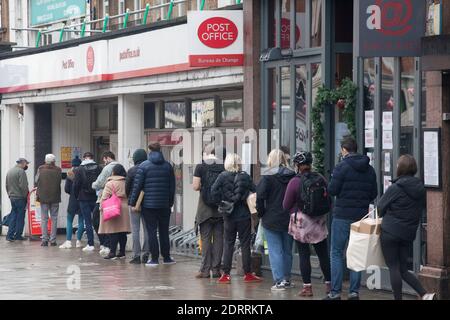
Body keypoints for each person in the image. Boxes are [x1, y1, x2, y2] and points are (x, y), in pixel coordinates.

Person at [324, 137, 378, 300]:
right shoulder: (369, 169)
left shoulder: (341, 167)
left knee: (336, 253)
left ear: (344, 150)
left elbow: (332, 190)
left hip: (341, 216)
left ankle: (335, 292)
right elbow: (373, 194)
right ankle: (354, 292)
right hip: (361, 216)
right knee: (357, 254)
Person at [377, 155, 436, 300]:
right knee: (403, 269)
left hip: (390, 232)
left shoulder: (395, 188)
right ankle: (424, 294)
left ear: (400, 169)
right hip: (408, 233)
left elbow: (380, 208)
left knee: (393, 267)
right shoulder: (421, 188)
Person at [283, 151, 331, 296]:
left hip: (301, 222)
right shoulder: (321, 178)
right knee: (323, 254)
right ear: (310, 165)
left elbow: (285, 205)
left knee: (304, 255)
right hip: (318, 220)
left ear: (297, 166)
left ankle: (307, 288)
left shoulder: (294, 182)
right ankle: (329, 285)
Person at [211, 153, 261, 284]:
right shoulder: (245, 176)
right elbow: (256, 190)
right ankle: (248, 273)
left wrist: (221, 203)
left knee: (228, 243)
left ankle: (226, 274)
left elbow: (213, 191)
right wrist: (245, 198)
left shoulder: (222, 176)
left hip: (229, 215)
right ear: (239, 163)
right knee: (245, 244)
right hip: (244, 214)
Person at [129, 142, 176, 266]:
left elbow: (137, 186)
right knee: (164, 231)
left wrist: (133, 203)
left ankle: (154, 259)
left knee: (151, 232)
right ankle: (167, 258)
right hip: (164, 205)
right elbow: (172, 187)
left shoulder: (144, 166)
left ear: (149, 151)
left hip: (148, 206)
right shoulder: (168, 166)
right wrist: (170, 202)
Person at [256, 149, 295, 291]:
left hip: (271, 218)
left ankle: (279, 281)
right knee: (287, 250)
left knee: (274, 251)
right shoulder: (292, 175)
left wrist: (261, 213)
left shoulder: (267, 176)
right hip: (289, 218)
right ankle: (287, 279)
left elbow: (259, 197)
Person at [192, 146, 226, 279]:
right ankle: (217, 269)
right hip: (220, 207)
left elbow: (195, 186)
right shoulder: (224, 166)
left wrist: (205, 187)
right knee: (219, 238)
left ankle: (205, 270)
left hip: (204, 208)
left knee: (205, 238)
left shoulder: (201, 166)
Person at [100, 164, 132, 260]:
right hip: (125, 207)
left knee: (113, 231)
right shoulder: (127, 181)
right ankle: (122, 252)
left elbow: (104, 197)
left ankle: (112, 252)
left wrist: (101, 208)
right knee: (122, 232)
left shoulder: (110, 183)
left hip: (113, 207)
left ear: (113, 172)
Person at [125, 149, 150, 264]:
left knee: (135, 229)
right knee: (147, 229)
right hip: (148, 203)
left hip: (134, 203)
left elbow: (127, 188)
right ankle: (146, 253)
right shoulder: (149, 168)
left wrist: (130, 198)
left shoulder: (131, 171)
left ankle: (136, 255)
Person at [73, 152, 102, 252]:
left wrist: (77, 196)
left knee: (87, 221)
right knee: (98, 221)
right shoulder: (98, 167)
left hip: (83, 198)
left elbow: (76, 185)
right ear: (93, 158)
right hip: (96, 197)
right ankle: (103, 243)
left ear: (84, 158)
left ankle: (90, 243)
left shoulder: (80, 169)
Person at [92, 151, 118, 256]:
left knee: (97, 221)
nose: (104, 162)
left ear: (107, 158)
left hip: (105, 199)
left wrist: (93, 184)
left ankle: (106, 244)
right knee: (113, 224)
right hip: (117, 199)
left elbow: (98, 183)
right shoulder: (120, 166)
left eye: (104, 159)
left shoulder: (107, 168)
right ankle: (111, 246)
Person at [36, 154, 62, 247]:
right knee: (54, 218)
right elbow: (59, 181)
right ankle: (53, 240)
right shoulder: (58, 169)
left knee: (44, 219)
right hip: (55, 196)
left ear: (45, 160)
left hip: (43, 197)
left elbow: (36, 180)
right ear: (54, 161)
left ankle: (44, 240)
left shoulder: (40, 169)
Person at [59, 156, 84, 249]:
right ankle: (78, 241)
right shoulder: (83, 173)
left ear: (72, 165)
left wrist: (72, 193)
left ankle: (68, 241)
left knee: (69, 220)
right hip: (82, 199)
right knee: (82, 220)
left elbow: (66, 189)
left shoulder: (70, 174)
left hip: (73, 200)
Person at [5, 158, 30, 242]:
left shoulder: (10, 171)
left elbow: (7, 185)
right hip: (20, 198)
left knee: (13, 216)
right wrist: (26, 196)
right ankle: (18, 235)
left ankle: (9, 235)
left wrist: (9, 195)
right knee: (20, 217)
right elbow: (23, 186)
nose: (26, 166)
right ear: (23, 163)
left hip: (12, 197)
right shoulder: (21, 172)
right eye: (26, 164)